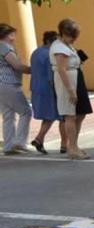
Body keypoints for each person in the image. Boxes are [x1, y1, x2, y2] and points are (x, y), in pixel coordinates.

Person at [50, 19, 88, 159]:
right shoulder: (59, 47)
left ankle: (74, 145)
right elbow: (61, 69)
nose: (75, 39)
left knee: (81, 113)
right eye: (73, 36)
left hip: (76, 79)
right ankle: (71, 148)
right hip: (67, 83)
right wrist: (71, 90)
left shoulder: (67, 45)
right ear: (65, 33)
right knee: (70, 115)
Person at [29, 31, 66, 154]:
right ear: (51, 41)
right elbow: (51, 75)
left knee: (48, 116)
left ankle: (40, 139)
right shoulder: (49, 54)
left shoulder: (36, 52)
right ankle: (64, 144)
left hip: (36, 87)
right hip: (48, 89)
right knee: (62, 116)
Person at [0, 23, 32, 156]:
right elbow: (17, 65)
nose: (14, 37)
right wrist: (33, 70)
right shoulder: (4, 47)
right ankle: (20, 142)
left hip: (2, 85)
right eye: (12, 34)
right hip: (9, 83)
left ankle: (8, 146)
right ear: (7, 35)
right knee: (25, 111)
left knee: (8, 115)